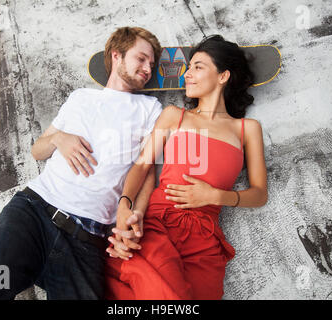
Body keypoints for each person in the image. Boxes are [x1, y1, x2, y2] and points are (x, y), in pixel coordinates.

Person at [0, 26, 163, 300]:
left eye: (152, 64)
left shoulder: (150, 109)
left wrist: (132, 214)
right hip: (33, 216)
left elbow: (147, 172)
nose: (147, 68)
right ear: (116, 55)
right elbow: (38, 150)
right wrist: (60, 138)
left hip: (87, 242)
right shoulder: (81, 97)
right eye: (141, 59)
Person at [105, 35, 268, 300]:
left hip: (204, 238)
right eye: (187, 67)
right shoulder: (174, 116)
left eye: (197, 67)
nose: (187, 75)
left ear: (223, 76)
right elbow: (142, 165)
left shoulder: (247, 129)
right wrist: (125, 205)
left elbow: (259, 193)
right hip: (158, 223)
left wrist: (216, 196)